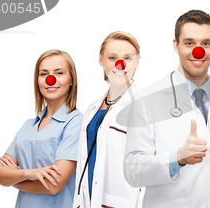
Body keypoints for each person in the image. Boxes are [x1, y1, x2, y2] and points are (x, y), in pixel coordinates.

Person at [122, 10, 210, 208]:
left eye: (206, 43)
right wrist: (177, 158)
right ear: (176, 46)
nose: (198, 51)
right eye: (189, 43)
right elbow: (132, 170)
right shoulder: (146, 100)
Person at [0, 49, 83, 208]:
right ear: (37, 80)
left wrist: (14, 180)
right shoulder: (28, 126)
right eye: (43, 74)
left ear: (71, 80)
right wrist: (28, 173)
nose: (51, 79)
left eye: (59, 73)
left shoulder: (76, 122)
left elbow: (54, 185)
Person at [73, 31, 143, 208]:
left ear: (137, 62)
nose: (120, 64)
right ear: (101, 60)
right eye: (113, 57)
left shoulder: (142, 108)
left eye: (127, 58)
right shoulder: (91, 109)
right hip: (87, 201)